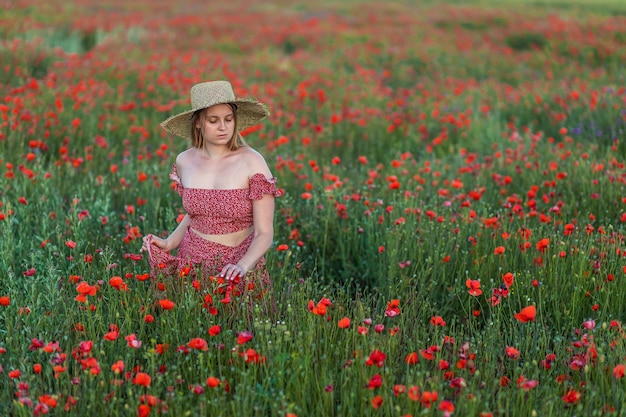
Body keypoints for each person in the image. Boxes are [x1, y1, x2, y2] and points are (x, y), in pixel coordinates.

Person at [141, 80, 281, 298]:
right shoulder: (184, 161)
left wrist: (243, 266)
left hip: (239, 264)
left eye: (228, 119)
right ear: (198, 123)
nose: (223, 127)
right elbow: (196, 213)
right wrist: (170, 242)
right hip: (191, 263)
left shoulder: (252, 161)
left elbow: (265, 232)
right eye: (213, 121)